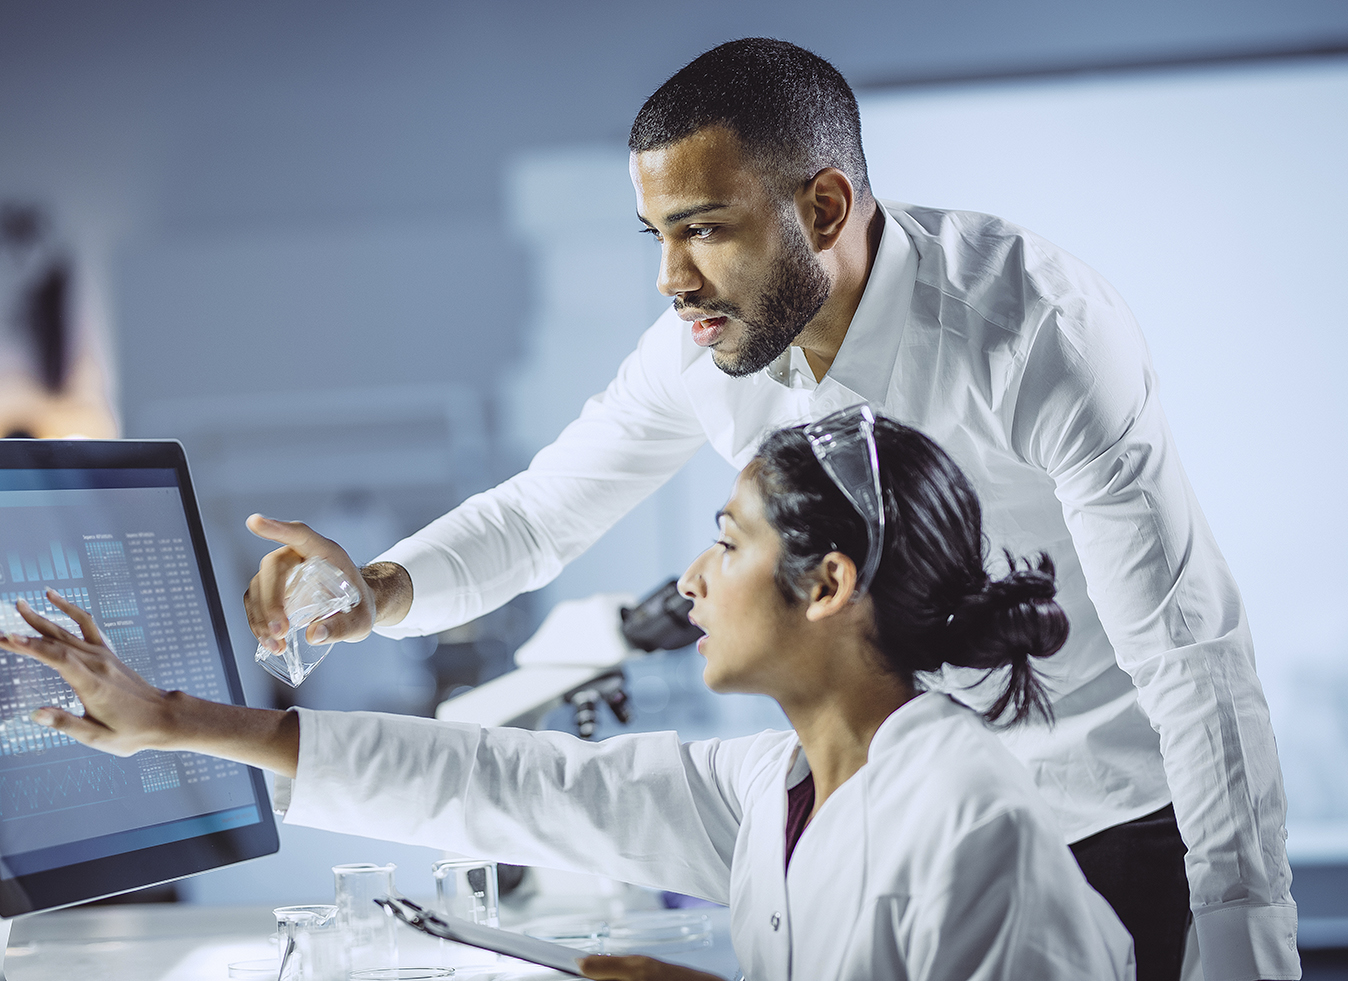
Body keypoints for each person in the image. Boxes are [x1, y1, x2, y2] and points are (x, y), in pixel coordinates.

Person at [243, 39, 1296, 981]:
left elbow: (1185, 646)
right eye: (655, 234)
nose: (670, 279)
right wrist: (376, 590)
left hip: (1095, 816)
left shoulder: (1033, 330)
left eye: (703, 230)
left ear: (825, 209)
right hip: (878, 815)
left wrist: (1248, 934)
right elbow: (540, 514)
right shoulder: (706, 349)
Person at [0, 409, 1136, 980]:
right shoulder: (781, 787)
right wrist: (180, 722)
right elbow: (511, 780)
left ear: (828, 584)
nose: (690, 580)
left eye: (725, 545)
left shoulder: (970, 820)